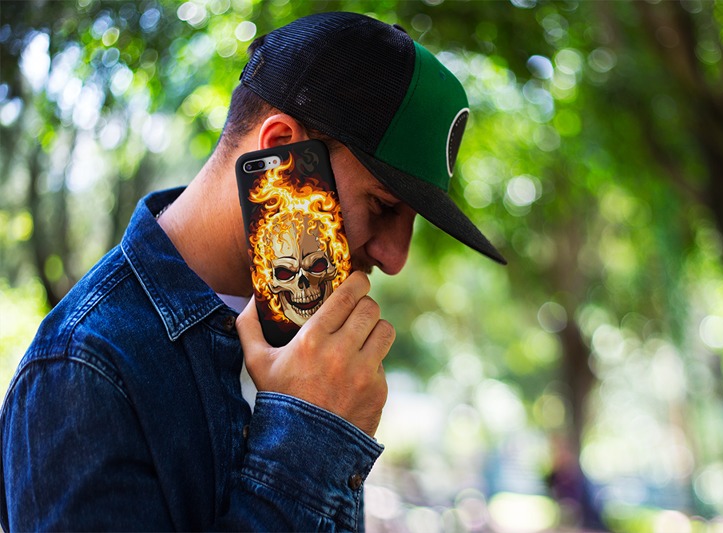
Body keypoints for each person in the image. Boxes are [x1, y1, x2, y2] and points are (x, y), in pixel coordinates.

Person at [0, 11, 506, 531]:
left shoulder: (308, 343)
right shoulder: (82, 369)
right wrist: (310, 433)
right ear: (280, 148)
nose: (395, 258)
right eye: (382, 205)